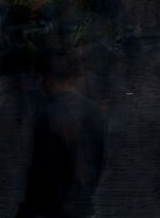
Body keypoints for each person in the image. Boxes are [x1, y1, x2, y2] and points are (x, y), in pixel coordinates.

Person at [15, 50, 106, 218]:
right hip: (83, 205)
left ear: (47, 78)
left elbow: (42, 174)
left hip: (55, 209)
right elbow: (99, 162)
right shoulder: (94, 111)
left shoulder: (48, 115)